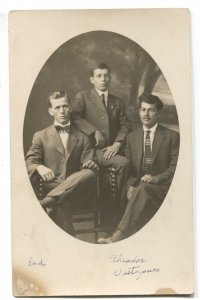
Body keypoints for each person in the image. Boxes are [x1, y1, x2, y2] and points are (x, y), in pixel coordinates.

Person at [98, 93, 180, 243]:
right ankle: (115, 232)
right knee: (131, 189)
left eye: (151, 110)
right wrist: (130, 185)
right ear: (139, 111)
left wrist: (155, 178)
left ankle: (118, 235)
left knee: (143, 189)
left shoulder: (172, 137)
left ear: (158, 113)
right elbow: (128, 168)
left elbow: (175, 169)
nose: (146, 114)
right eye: (143, 110)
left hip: (162, 189)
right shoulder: (131, 137)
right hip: (139, 188)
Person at [25, 91, 98, 236]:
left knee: (90, 173)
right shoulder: (40, 136)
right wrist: (40, 167)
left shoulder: (83, 138)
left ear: (70, 108)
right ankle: (52, 201)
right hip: (52, 185)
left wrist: (90, 165)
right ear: (50, 111)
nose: (62, 111)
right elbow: (29, 163)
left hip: (77, 191)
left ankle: (46, 202)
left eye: (65, 106)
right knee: (61, 204)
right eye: (57, 107)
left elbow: (85, 167)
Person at [71, 63, 130, 210]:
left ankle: (119, 208)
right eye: (99, 76)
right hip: (91, 151)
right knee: (123, 163)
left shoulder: (118, 102)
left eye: (106, 76)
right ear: (92, 79)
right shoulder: (83, 97)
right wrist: (93, 131)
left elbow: (125, 126)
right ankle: (115, 207)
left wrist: (117, 143)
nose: (103, 79)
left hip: (111, 149)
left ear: (110, 78)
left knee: (129, 162)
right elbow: (73, 117)